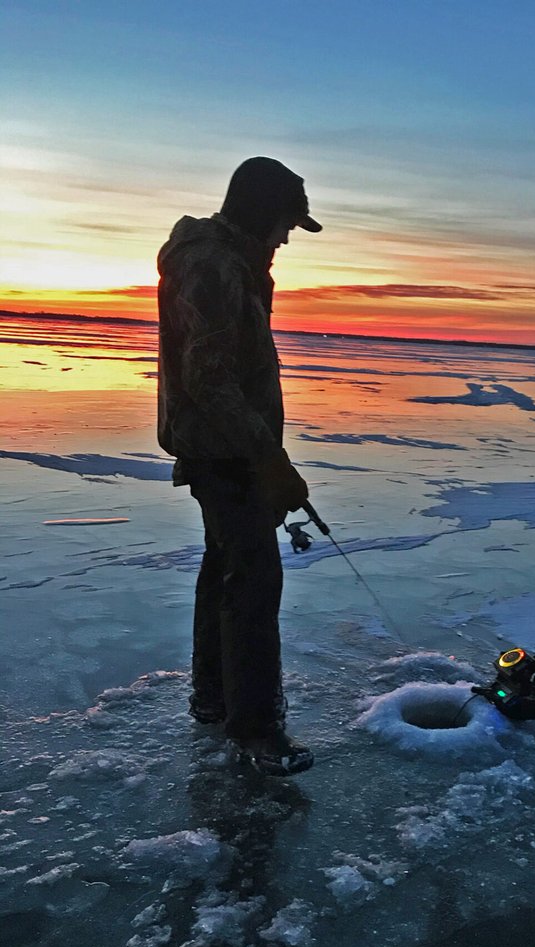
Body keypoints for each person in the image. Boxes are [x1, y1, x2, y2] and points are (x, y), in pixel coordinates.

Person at [156, 157, 322, 774]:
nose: (286, 239)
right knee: (253, 580)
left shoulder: (239, 265)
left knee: (226, 564)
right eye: (284, 224)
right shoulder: (214, 267)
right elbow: (209, 379)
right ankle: (253, 730)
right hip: (223, 448)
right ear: (259, 215)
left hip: (231, 445)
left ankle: (214, 699)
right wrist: (269, 457)